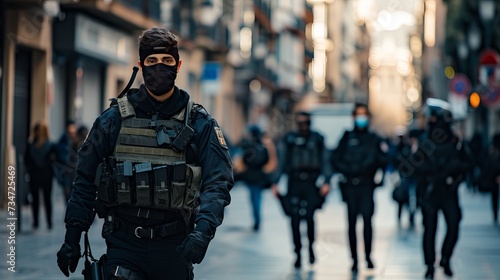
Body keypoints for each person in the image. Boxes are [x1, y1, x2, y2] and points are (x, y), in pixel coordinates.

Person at [56, 27, 233, 280]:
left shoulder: (199, 123)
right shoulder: (113, 120)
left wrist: (202, 232)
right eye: (152, 61)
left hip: (174, 247)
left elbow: (218, 182)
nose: (159, 68)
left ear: (178, 65)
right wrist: (72, 237)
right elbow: (84, 179)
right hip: (123, 244)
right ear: (140, 64)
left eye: (167, 61)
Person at [403, 98, 471, 279]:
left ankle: (446, 258)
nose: (429, 120)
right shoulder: (425, 141)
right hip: (430, 192)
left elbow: (467, 163)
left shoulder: (455, 140)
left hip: (449, 191)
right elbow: (413, 166)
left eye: (431, 117)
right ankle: (430, 265)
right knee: (429, 230)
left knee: (453, 225)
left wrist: (455, 176)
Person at [330, 103, 388, 272]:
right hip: (349, 186)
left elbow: (384, 160)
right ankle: (354, 259)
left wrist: (375, 168)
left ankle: (368, 256)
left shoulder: (374, 138)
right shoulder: (347, 137)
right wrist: (347, 170)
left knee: (368, 222)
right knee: (351, 223)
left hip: (366, 186)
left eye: (364, 115)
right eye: (358, 115)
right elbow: (335, 159)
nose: (361, 118)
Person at [271, 111, 330, 268]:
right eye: (300, 122)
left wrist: (326, 181)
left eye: (306, 122)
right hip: (294, 182)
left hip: (311, 182)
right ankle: (297, 253)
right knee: (294, 218)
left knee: (310, 217)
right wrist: (275, 182)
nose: (303, 125)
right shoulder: (289, 139)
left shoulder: (317, 138)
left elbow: (325, 160)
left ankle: (310, 248)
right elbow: (282, 161)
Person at [233, 125, 278, 231]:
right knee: (257, 198)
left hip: (251, 177)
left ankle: (257, 220)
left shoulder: (247, 145)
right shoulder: (264, 146)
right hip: (260, 177)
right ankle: (257, 220)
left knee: (254, 199)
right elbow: (269, 161)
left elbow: (241, 160)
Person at [24, 122, 59, 230]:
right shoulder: (31, 145)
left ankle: (49, 222)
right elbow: (26, 160)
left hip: (46, 175)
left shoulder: (51, 145)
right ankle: (36, 222)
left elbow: (56, 159)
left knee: (47, 199)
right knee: (35, 199)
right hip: (35, 175)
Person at [55, 120, 79, 204]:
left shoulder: (78, 142)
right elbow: (59, 158)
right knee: (68, 199)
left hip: (76, 174)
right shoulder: (62, 142)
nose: (72, 131)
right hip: (66, 175)